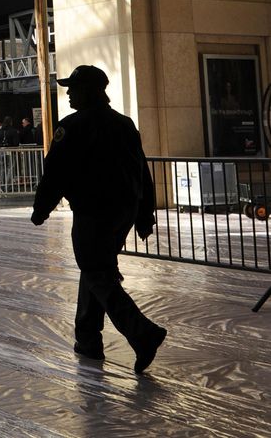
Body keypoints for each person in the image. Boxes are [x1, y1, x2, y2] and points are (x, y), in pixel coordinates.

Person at [31, 64, 167, 374]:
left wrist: (41, 208)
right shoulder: (124, 124)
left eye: (73, 89)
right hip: (123, 212)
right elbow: (141, 171)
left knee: (97, 273)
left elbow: (56, 174)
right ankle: (88, 339)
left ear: (89, 91)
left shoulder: (73, 126)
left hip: (93, 212)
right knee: (96, 269)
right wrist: (144, 214)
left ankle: (142, 333)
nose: (68, 94)